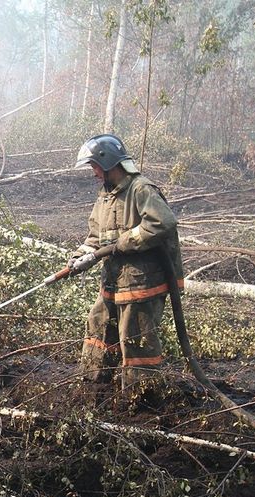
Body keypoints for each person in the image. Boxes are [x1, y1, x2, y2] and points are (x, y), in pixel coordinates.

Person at [68, 134, 184, 389]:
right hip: (113, 280)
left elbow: (162, 223)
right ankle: (95, 387)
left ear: (108, 162)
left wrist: (124, 241)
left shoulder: (141, 189)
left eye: (94, 166)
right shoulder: (105, 196)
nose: (94, 173)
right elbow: (95, 237)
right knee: (98, 324)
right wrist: (79, 257)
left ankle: (140, 396)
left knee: (136, 339)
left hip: (141, 283)